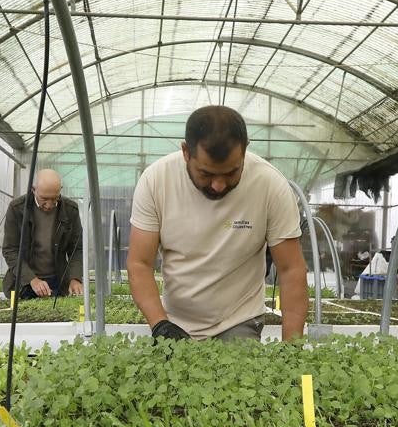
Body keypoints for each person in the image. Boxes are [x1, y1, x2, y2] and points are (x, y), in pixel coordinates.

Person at [127, 105, 308, 341]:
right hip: (176, 321)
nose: (219, 185)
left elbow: (291, 270)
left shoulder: (270, 185)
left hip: (239, 320)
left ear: (245, 151)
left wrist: (291, 351)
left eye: (232, 173)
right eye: (207, 174)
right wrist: (160, 324)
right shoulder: (156, 181)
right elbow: (139, 264)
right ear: (185, 152)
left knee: (239, 374)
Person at [2, 169, 84, 299]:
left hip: (58, 283)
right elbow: (10, 250)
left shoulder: (70, 210)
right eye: (44, 199)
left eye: (54, 198)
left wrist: (75, 278)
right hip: (24, 284)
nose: (49, 204)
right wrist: (32, 279)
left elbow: (77, 249)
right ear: (33, 190)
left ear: (60, 190)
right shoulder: (17, 209)